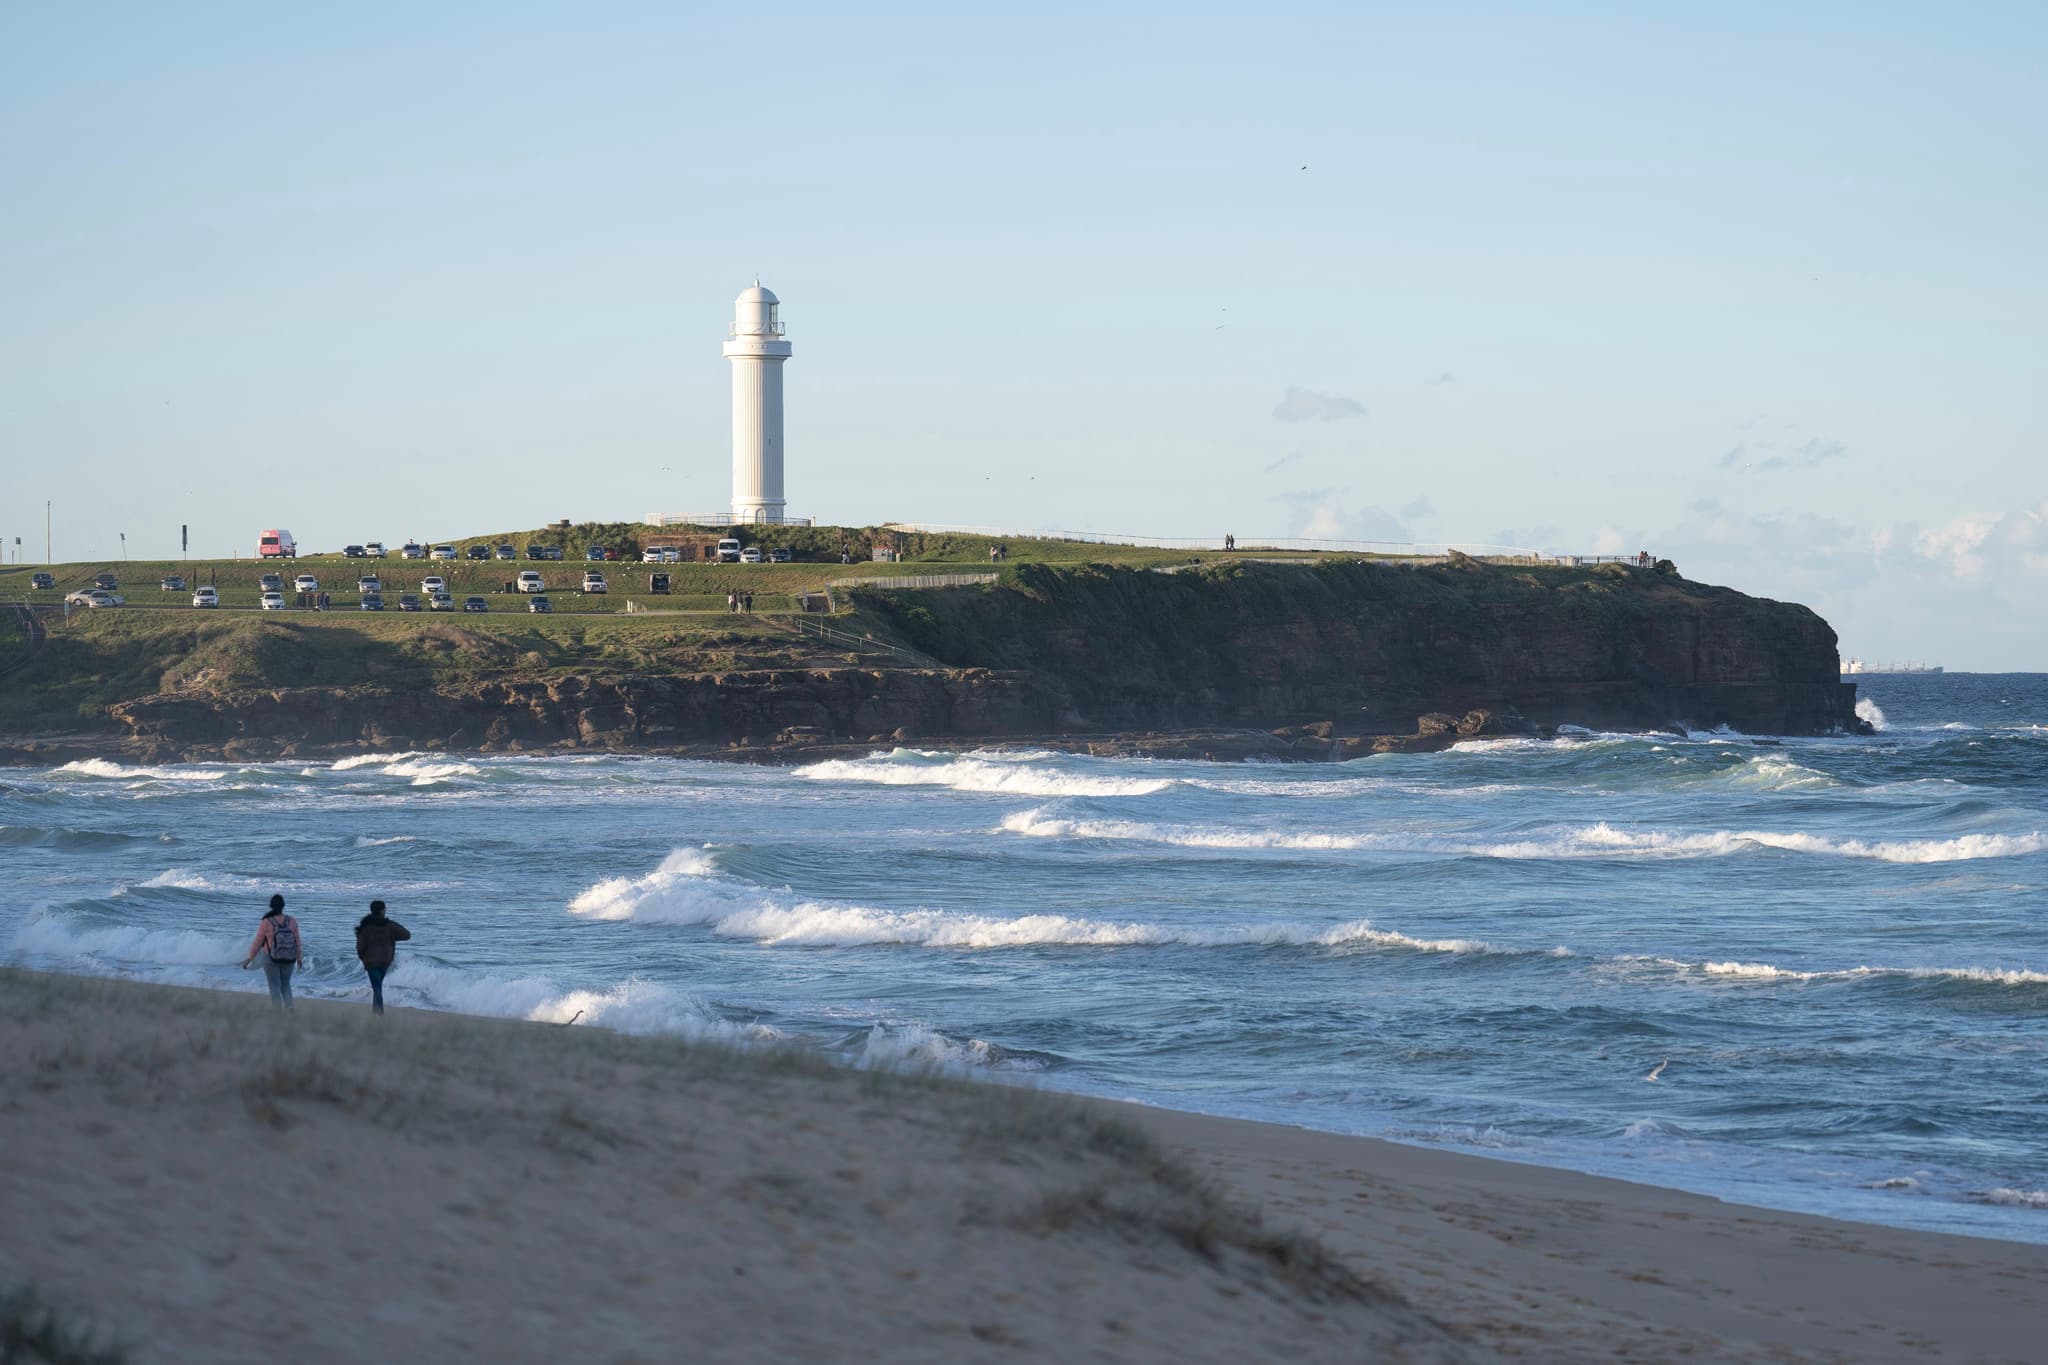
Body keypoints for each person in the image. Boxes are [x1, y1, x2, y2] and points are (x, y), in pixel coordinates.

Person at [241, 894, 302, 1010]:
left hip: (270, 958)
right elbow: (297, 941)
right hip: (289, 958)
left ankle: (277, 1012)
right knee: (286, 984)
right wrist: (299, 958)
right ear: (283, 906)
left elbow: (258, 942)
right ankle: (289, 1008)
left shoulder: (267, 921)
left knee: (274, 986)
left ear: (271, 906)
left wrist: (249, 959)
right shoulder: (292, 921)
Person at [353, 900, 412, 1016]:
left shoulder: (366, 925)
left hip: (370, 962)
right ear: (382, 910)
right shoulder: (389, 925)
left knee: (377, 988)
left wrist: (362, 957)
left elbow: (360, 945)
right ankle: (377, 1014)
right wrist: (392, 932)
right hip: (385, 961)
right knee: (377, 987)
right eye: (385, 909)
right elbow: (407, 935)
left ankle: (378, 1015)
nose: (385, 911)